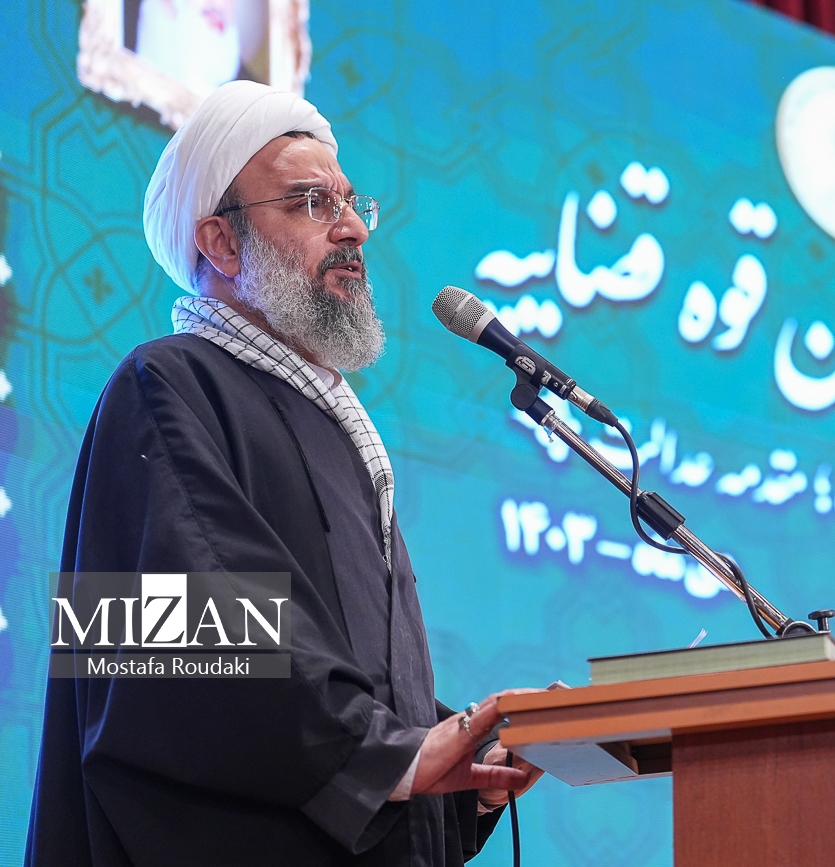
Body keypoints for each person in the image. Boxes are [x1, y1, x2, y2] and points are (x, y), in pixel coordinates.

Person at [25, 80, 542, 866]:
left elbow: (351, 677)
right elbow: (181, 650)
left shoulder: (336, 425)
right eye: (309, 202)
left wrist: (464, 767)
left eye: (351, 203)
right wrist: (388, 756)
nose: (351, 228)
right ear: (221, 243)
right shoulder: (163, 388)